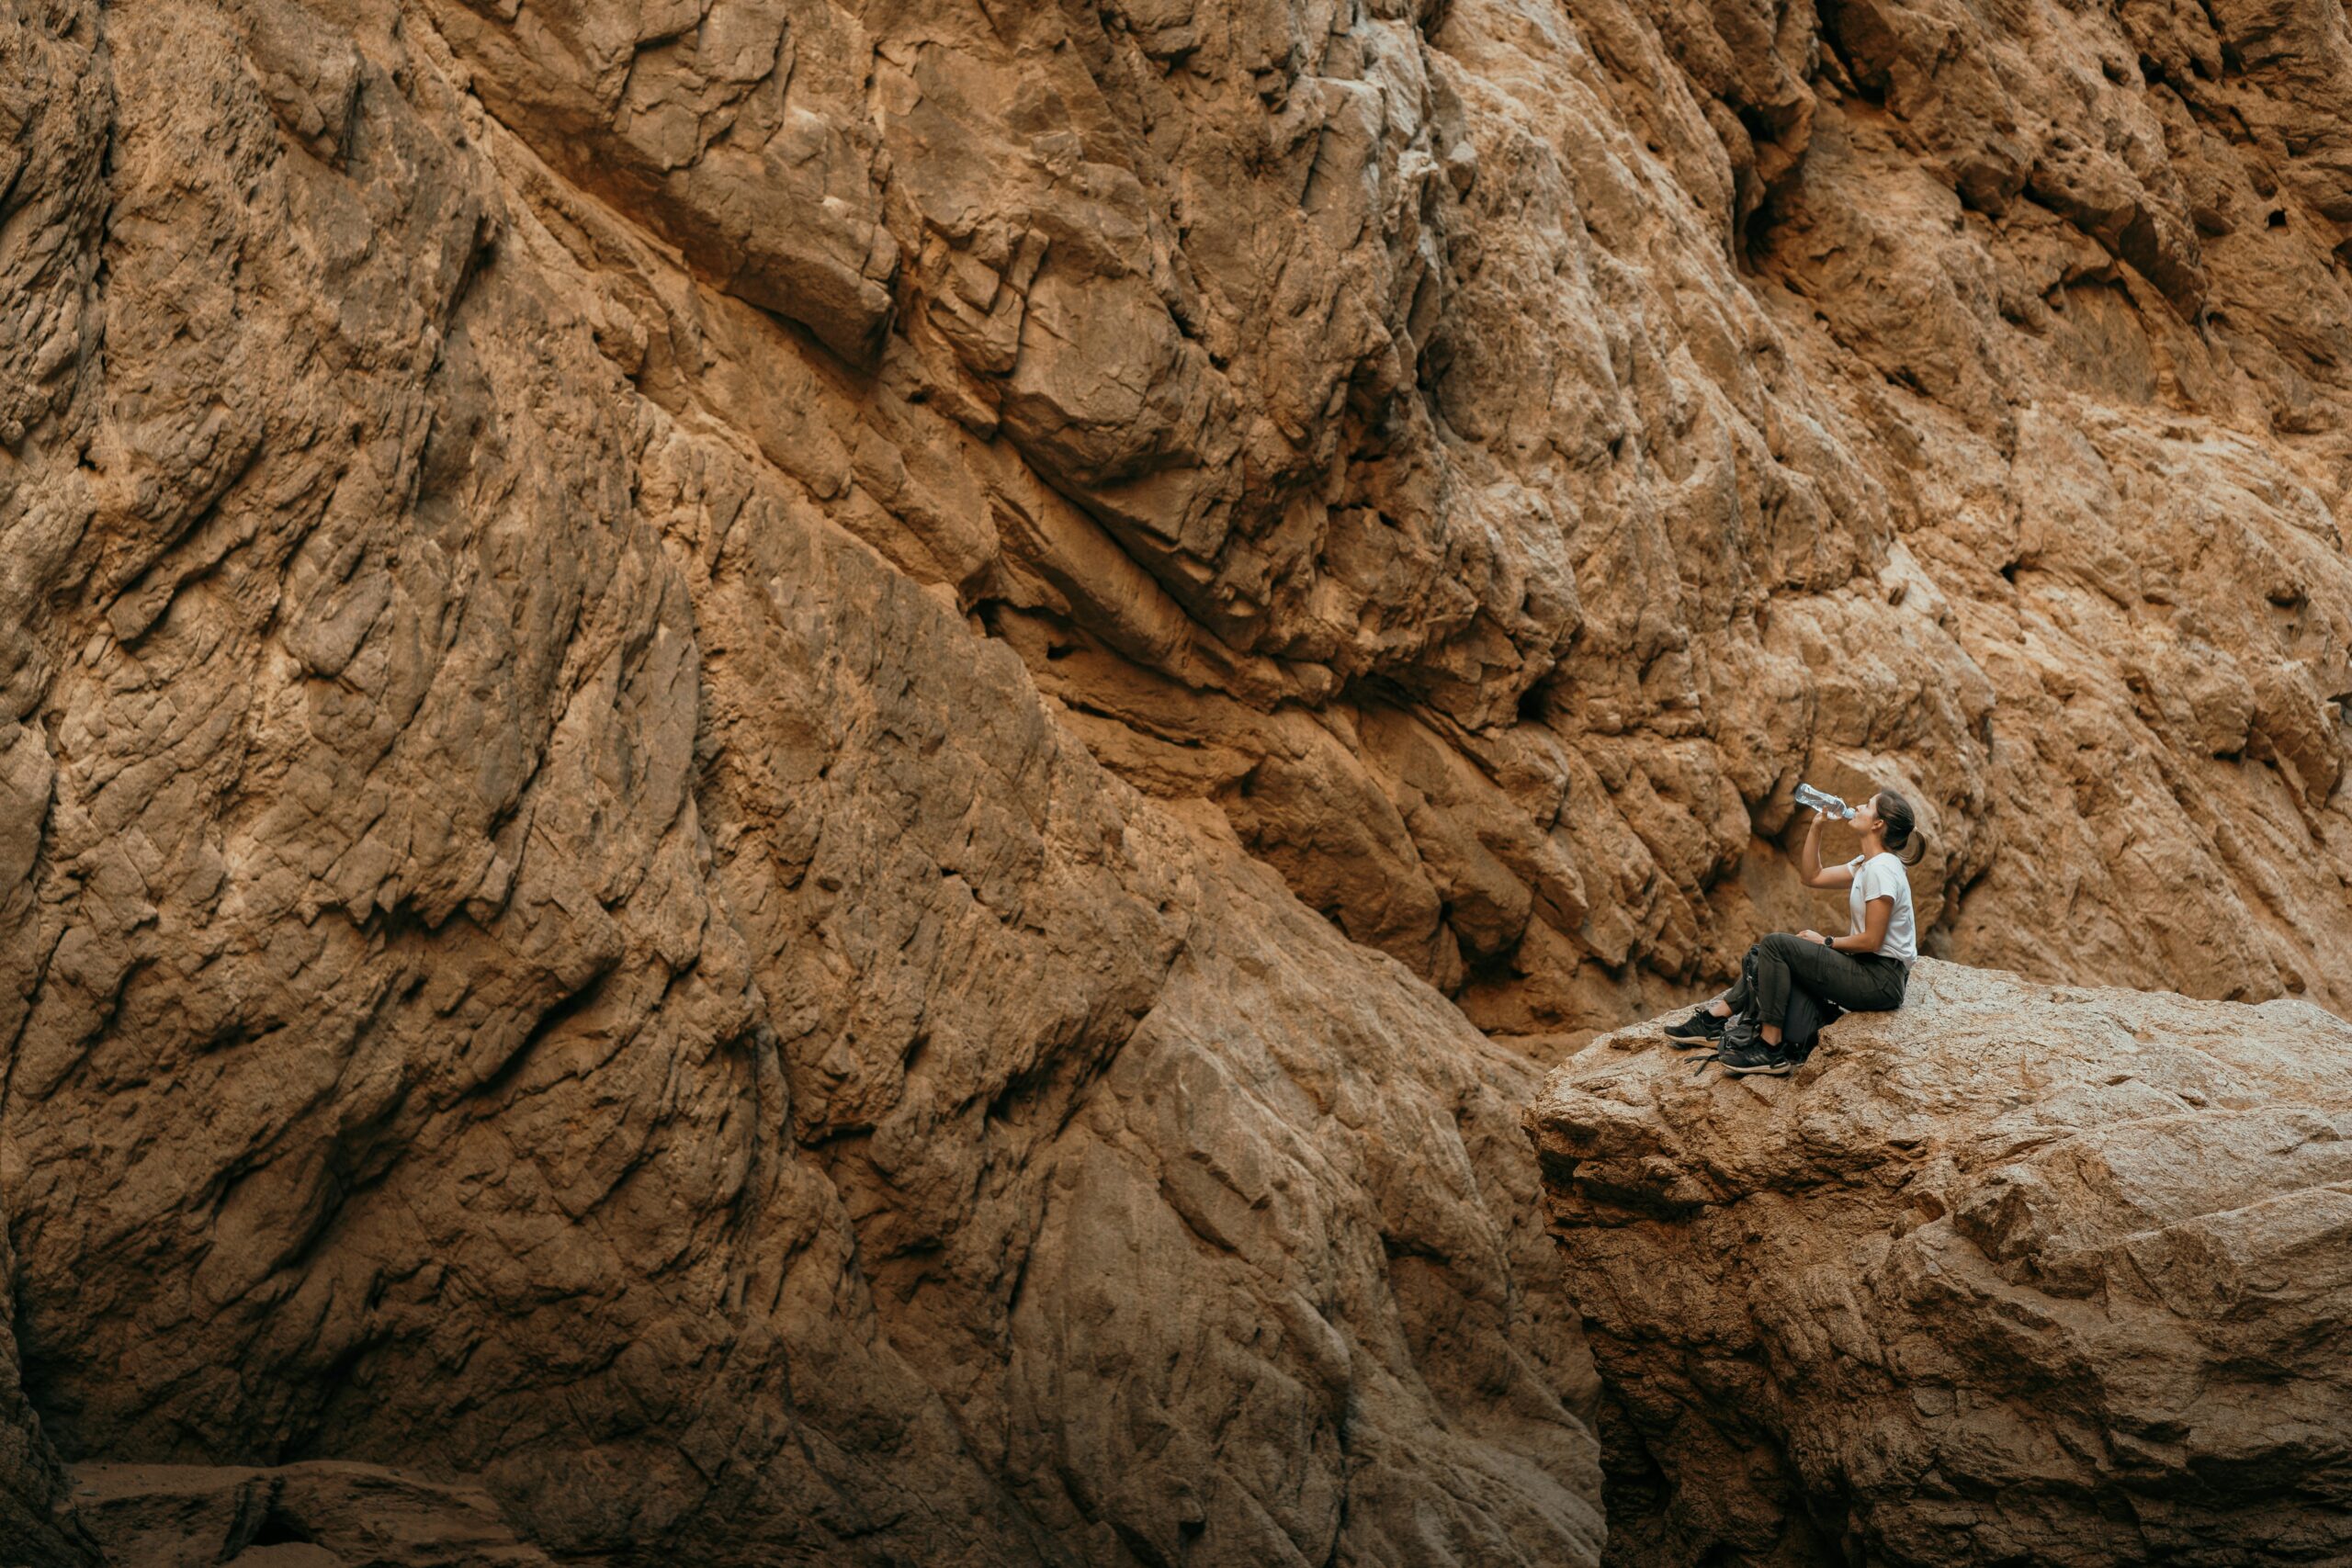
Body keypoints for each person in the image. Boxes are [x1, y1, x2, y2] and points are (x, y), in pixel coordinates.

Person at [1663, 788, 1926, 1075]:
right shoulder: (1868, 864)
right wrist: (1817, 828)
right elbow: (1812, 876)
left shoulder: (1882, 870)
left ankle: (1770, 1047)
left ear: (1878, 823)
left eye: (1867, 804)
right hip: (1868, 971)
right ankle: (1715, 1020)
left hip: (1879, 980)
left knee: (1776, 946)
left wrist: (1825, 942)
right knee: (1763, 953)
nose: (1858, 806)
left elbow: (1872, 940)